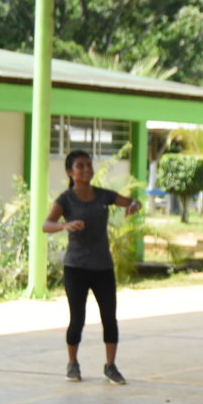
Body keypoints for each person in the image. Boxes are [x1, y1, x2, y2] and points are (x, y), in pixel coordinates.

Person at [43, 150, 140, 384]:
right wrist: (65, 226)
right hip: (76, 267)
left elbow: (133, 201)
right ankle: (73, 364)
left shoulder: (103, 196)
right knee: (77, 319)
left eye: (88, 165)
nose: (86, 169)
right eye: (80, 166)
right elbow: (47, 225)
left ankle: (110, 366)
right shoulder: (66, 199)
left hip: (102, 267)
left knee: (109, 318)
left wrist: (133, 206)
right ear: (70, 172)